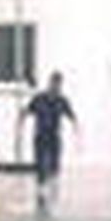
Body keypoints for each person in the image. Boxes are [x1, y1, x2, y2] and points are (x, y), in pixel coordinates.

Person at [19, 71, 77, 205]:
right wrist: (20, 127)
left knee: (55, 163)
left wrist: (77, 132)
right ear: (50, 83)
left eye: (58, 85)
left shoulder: (62, 100)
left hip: (54, 136)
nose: (56, 87)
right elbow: (27, 112)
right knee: (40, 162)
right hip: (40, 136)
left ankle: (52, 187)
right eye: (54, 84)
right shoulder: (39, 98)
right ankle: (40, 187)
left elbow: (72, 116)